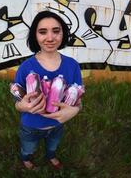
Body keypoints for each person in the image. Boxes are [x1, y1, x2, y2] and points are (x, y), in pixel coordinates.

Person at [14, 10, 82, 170]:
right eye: (42, 32)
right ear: (35, 36)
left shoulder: (72, 66)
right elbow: (17, 101)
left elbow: (78, 99)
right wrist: (21, 106)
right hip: (31, 126)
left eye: (56, 31)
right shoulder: (26, 68)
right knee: (28, 147)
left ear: (63, 33)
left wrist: (75, 111)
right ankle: (26, 158)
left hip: (57, 124)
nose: (50, 38)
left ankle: (51, 155)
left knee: (53, 145)